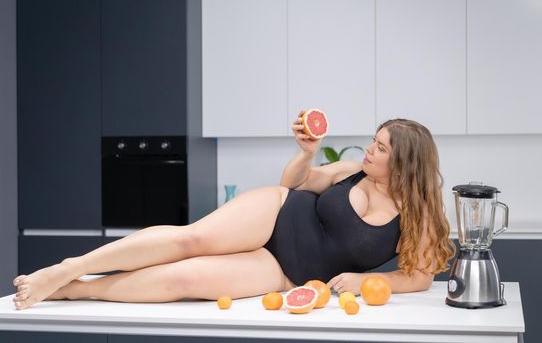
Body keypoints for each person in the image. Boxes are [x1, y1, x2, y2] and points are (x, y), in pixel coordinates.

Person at [12, 115, 456, 310]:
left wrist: (363, 282)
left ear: (405, 163)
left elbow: (418, 278)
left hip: (285, 273)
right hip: (278, 212)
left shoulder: (418, 217)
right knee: (190, 240)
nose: (371, 150)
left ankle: (76, 290)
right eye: (374, 141)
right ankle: (71, 266)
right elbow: (295, 183)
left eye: (381, 148)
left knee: (183, 279)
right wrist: (306, 153)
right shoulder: (350, 169)